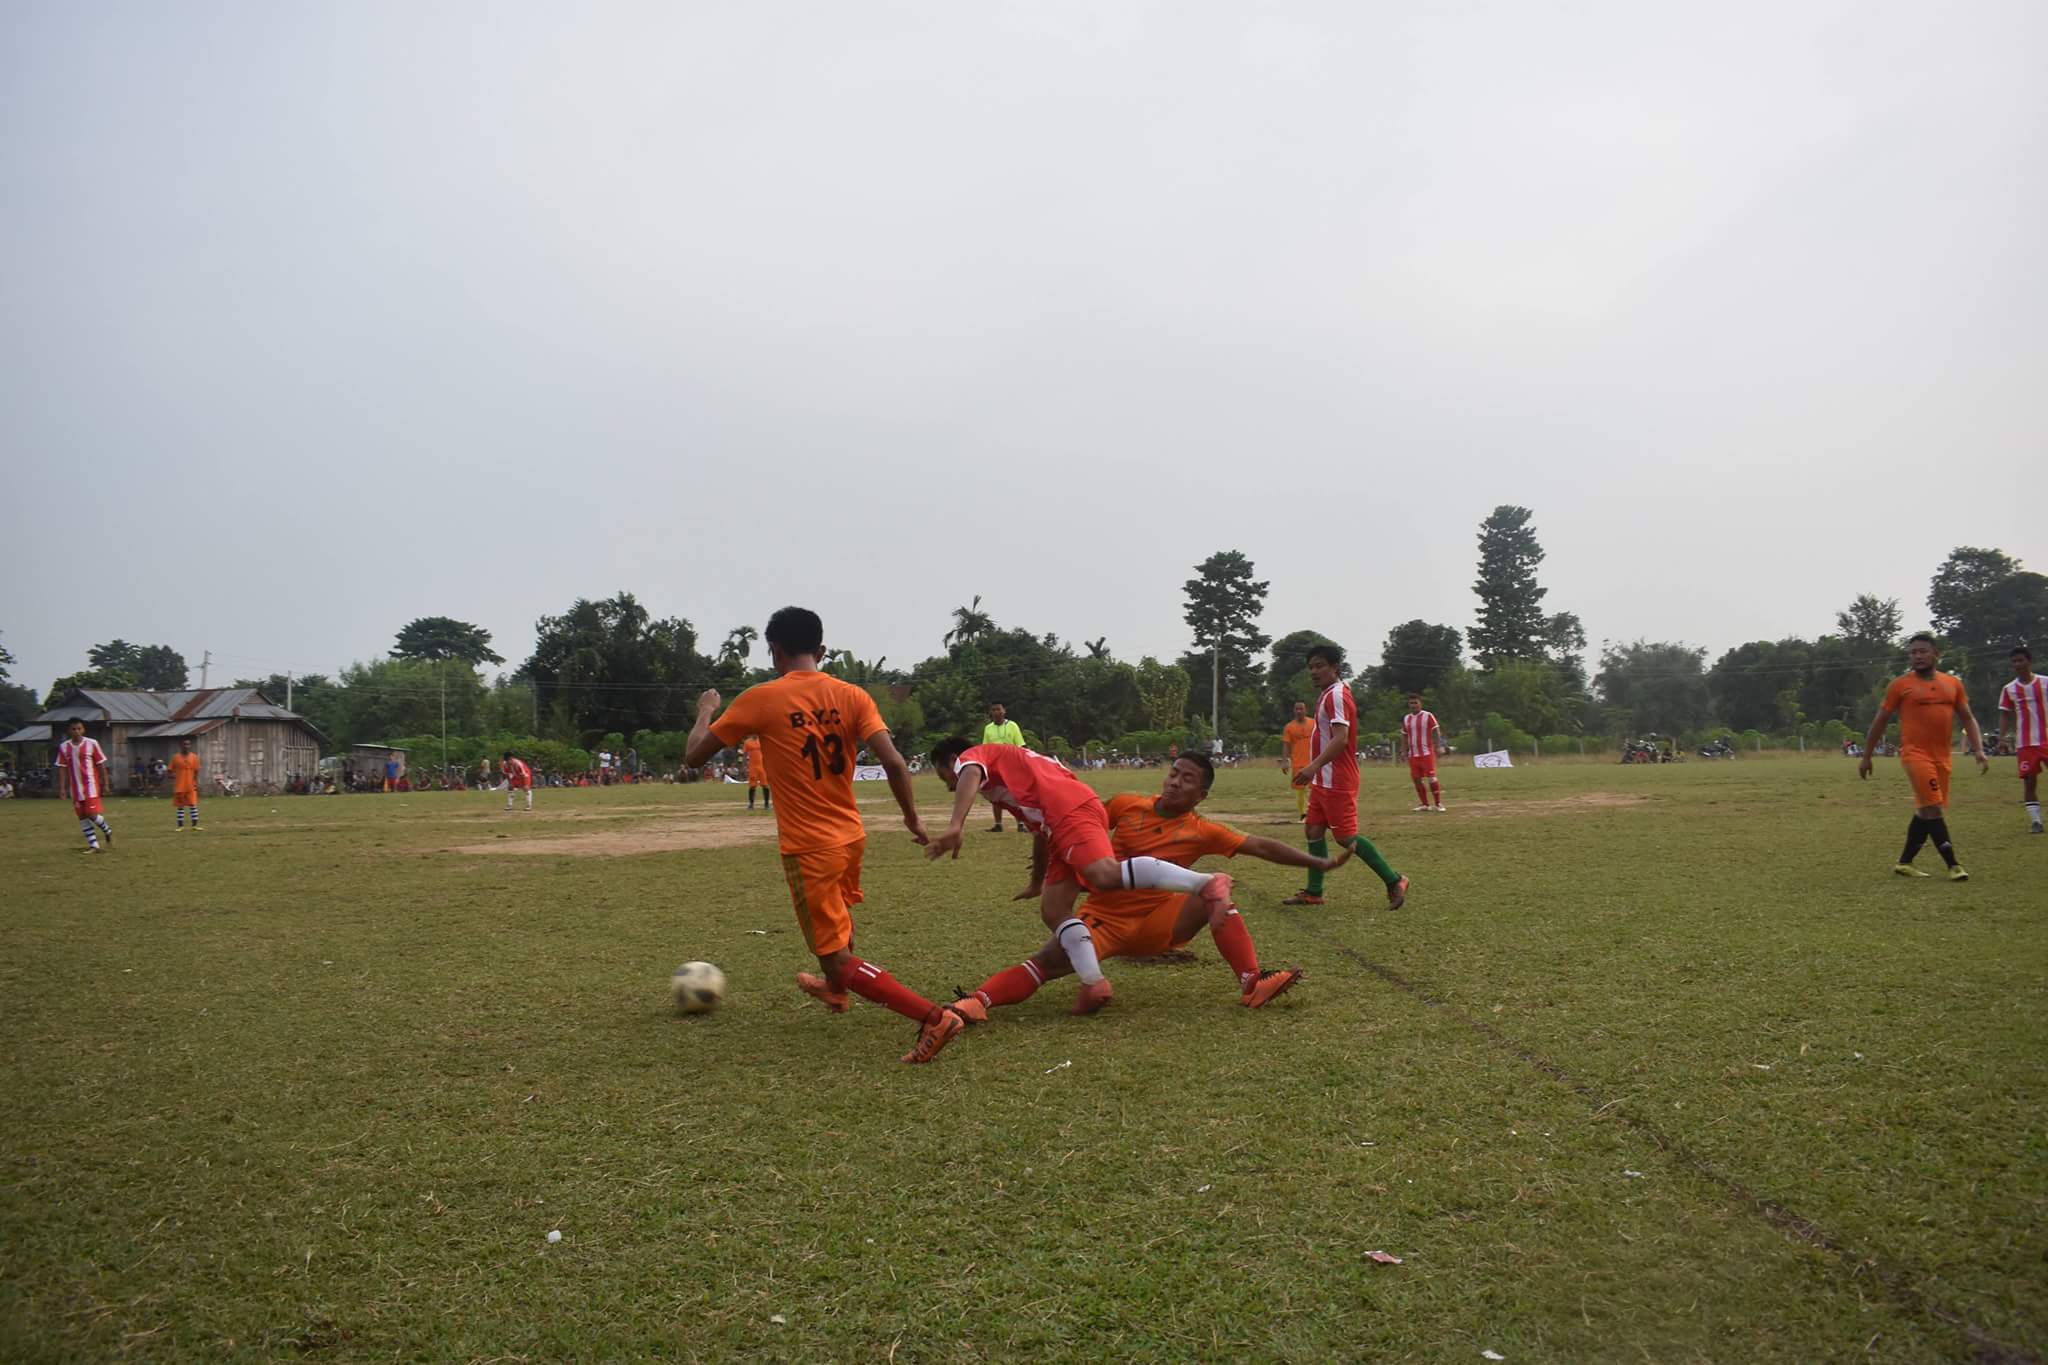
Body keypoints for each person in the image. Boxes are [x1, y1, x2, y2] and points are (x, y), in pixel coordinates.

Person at [684, 606, 964, 1065]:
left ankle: (933, 1016)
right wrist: (912, 819)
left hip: (810, 845)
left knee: (833, 953)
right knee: (837, 918)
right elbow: (894, 762)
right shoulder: (853, 696)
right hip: (850, 835)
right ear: (822, 650)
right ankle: (836, 994)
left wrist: (706, 711)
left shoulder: (761, 698)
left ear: (774, 651)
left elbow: (694, 756)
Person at [950, 752, 1350, 1020]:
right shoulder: (1125, 804)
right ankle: (976, 1002)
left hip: (1161, 922)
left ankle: (1252, 983)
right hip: (1102, 923)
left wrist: (1317, 862)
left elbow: (1259, 845)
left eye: (1187, 779)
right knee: (1044, 963)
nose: (1176, 782)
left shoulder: (1202, 830)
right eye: (1174, 773)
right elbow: (1063, 825)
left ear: (1201, 794)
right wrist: (1041, 876)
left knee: (1216, 897)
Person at [926, 737, 1236, 1015]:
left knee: (1104, 875)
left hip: (1068, 807)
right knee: (1053, 910)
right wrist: (1037, 880)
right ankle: (1094, 983)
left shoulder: (972, 758)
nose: (950, 786)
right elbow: (1040, 833)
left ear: (953, 759)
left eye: (945, 778)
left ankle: (1206, 883)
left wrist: (956, 825)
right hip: (1060, 818)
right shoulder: (1009, 773)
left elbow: (969, 772)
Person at [1284, 643, 1408, 908]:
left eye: (1319, 666)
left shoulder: (1337, 695)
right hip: (1324, 779)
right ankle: (1314, 892)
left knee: (1345, 837)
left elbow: (1340, 740)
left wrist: (1313, 766)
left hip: (1337, 778)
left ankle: (1394, 880)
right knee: (1314, 829)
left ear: (1334, 667)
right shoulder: (1327, 693)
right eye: (1311, 667)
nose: (1314, 672)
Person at [1858, 632, 1987, 880]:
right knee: (1934, 808)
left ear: (1936, 654)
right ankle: (1954, 866)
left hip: (1942, 756)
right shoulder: (1900, 685)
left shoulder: (1953, 684)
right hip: (1914, 755)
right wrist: (1867, 756)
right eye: (1912, 652)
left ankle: (1904, 863)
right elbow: (1880, 721)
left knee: (1925, 811)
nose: (1916, 656)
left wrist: (1979, 749)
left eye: (1922, 651)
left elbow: (1968, 718)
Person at [1996, 644, 2045, 835]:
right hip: (2025, 743)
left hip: (2046, 740)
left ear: (2029, 661)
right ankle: (2036, 821)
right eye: (2014, 661)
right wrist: (2001, 738)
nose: (2017, 664)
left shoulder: (2045, 683)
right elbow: (2004, 715)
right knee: (2029, 782)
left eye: (2020, 660)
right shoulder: (2009, 689)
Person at [55, 719, 115, 853]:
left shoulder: (92, 744)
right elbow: (62, 768)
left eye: (79, 728)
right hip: (75, 789)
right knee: (82, 817)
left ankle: (107, 830)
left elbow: (101, 765)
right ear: (69, 731)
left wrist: (105, 784)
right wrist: (62, 789)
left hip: (91, 786)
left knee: (92, 814)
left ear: (83, 729)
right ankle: (94, 845)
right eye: (73, 729)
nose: (76, 731)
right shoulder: (64, 747)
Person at [979, 702, 1025, 830]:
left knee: (1015, 794)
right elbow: (985, 748)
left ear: (1004, 711)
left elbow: (1021, 745)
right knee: (996, 794)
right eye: (993, 710)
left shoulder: (1012, 726)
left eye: (998, 709)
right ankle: (998, 824)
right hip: (995, 766)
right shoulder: (988, 728)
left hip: (1012, 764)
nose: (996, 712)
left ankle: (1021, 823)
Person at [1399, 693, 1446, 812]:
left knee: (1431, 778)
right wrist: (1403, 751)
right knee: (1416, 779)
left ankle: (1438, 803)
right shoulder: (1406, 718)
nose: (1413, 705)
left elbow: (1436, 731)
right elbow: (1404, 736)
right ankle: (1425, 804)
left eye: (1415, 702)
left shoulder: (1428, 716)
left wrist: (1438, 746)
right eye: (1411, 703)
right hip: (1413, 755)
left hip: (1426, 753)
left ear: (1420, 703)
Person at [1281, 701, 1315, 822]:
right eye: (1297, 709)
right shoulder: (1289, 727)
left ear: (1306, 710)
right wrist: (1285, 761)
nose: (1299, 711)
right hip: (1298, 762)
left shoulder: (1313, 723)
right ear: (1294, 711)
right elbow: (1286, 744)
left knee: (1315, 788)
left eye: (1301, 709)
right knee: (1300, 788)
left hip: (1313, 761)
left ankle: (1314, 811)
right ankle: (1303, 814)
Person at [168, 737, 202, 830]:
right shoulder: (176, 757)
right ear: (181, 746)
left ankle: (195, 826)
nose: (186, 746)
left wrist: (196, 783)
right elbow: (169, 770)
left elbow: (196, 771)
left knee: (193, 805)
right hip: (179, 785)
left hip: (190, 785)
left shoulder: (194, 757)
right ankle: (180, 826)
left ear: (190, 746)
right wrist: (171, 776)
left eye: (188, 744)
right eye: (184, 744)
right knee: (180, 806)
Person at [743, 735, 770, 812]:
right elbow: (744, 755)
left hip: (762, 766)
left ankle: (766, 804)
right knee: (752, 786)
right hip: (753, 766)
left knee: (765, 785)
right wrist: (744, 766)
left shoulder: (762, 740)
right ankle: (751, 804)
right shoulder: (747, 742)